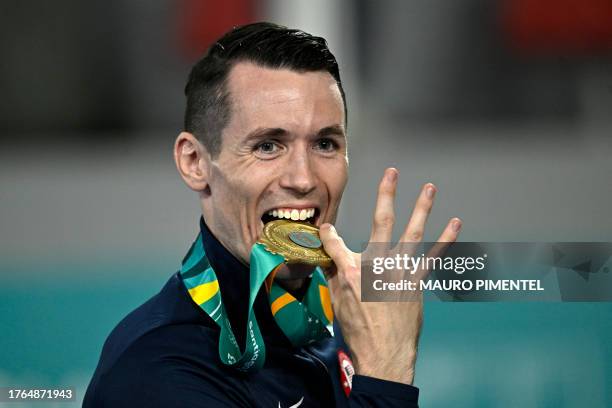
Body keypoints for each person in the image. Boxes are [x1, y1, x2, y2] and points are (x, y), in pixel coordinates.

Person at [83, 22, 462, 407]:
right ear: (195, 162)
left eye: (325, 143)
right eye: (267, 146)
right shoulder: (157, 370)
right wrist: (386, 373)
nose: (303, 178)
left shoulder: (346, 322)